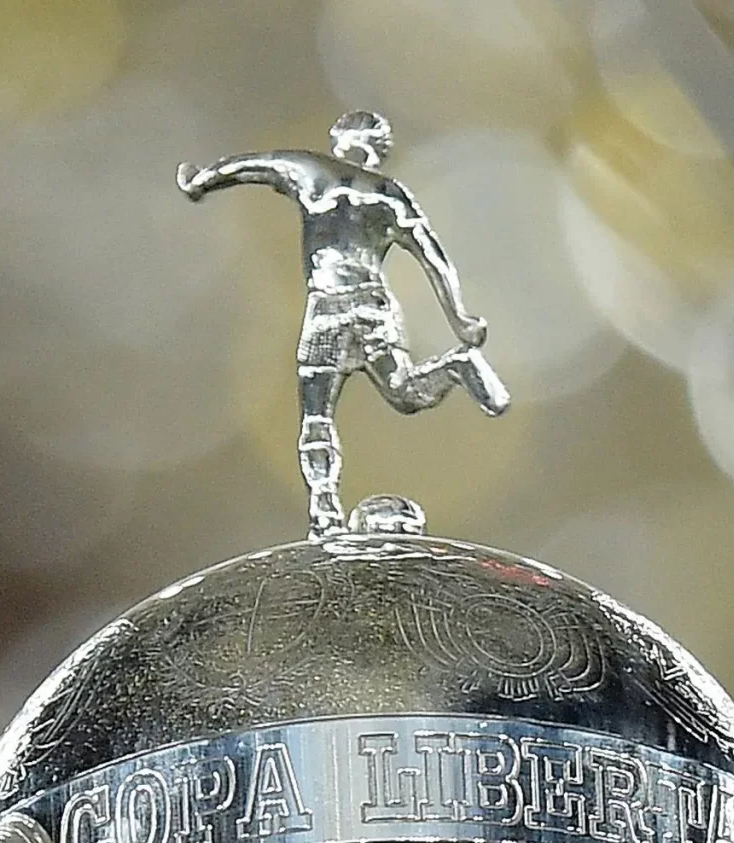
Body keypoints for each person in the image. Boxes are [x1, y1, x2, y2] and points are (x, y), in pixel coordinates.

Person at [178, 110, 507, 536]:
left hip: (328, 310)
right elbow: (433, 259)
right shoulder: (390, 194)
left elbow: (253, 165)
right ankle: (456, 366)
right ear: (378, 151)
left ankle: (325, 513)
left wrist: (204, 180)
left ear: (341, 140)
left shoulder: (311, 170)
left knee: (316, 413)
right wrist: (459, 319)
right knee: (404, 392)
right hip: (372, 307)